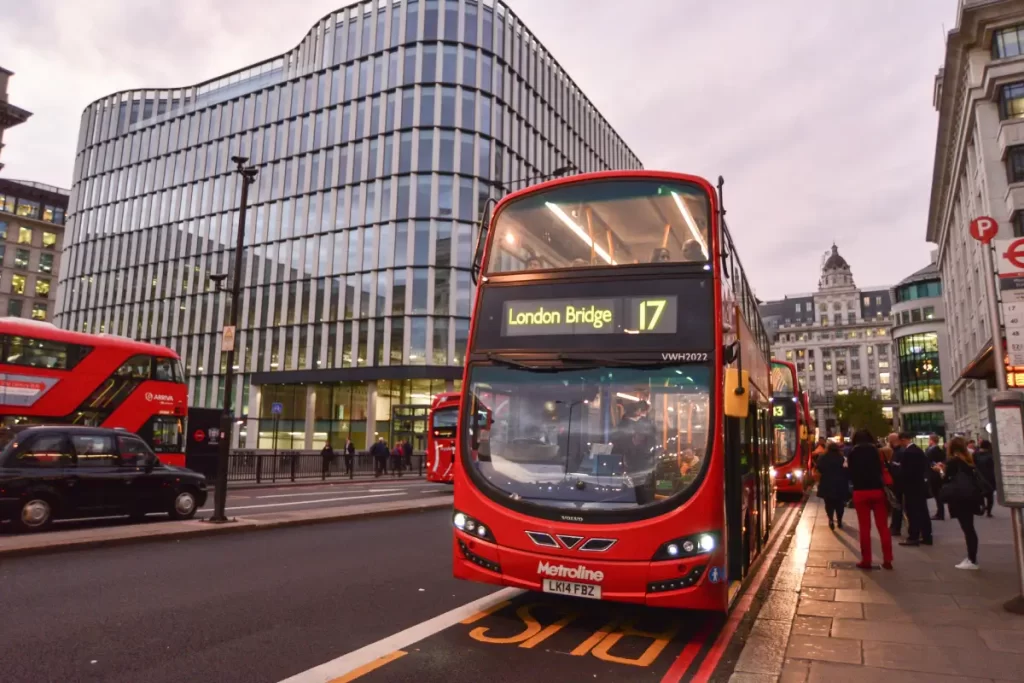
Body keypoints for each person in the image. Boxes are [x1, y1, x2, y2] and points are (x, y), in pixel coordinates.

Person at [847, 429, 894, 570]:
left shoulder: (852, 453)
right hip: (878, 491)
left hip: (860, 492)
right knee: (883, 527)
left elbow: (850, 473)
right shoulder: (877, 452)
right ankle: (888, 560)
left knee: (864, 528)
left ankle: (866, 560)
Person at [937, 437, 982, 570]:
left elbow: (945, 480)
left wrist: (940, 470)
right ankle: (972, 558)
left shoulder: (953, 461)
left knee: (967, 529)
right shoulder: (969, 460)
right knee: (970, 528)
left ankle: (972, 560)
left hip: (959, 498)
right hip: (970, 496)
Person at [896, 432, 933, 547]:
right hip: (919, 485)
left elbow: (907, 471)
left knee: (913, 511)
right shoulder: (917, 450)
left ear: (903, 440)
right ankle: (927, 536)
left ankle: (913, 536)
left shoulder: (909, 452)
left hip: (912, 487)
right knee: (922, 511)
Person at [816, 442, 849, 530]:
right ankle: (839, 521)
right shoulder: (842, 458)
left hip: (827, 483)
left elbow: (819, 468)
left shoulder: (822, 457)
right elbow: (847, 470)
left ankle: (830, 519)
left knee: (828, 503)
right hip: (840, 484)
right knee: (840, 504)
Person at [886, 433, 905, 536]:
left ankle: (896, 527)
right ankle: (894, 526)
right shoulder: (897, 451)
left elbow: (898, 468)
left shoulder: (899, 452)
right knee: (896, 505)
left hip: (898, 483)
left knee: (897, 505)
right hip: (897, 482)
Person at [925, 434, 946, 521]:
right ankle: (940, 512)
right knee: (936, 493)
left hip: (935, 474)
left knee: (937, 493)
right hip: (934, 473)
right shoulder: (935, 449)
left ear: (931, 440)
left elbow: (931, 461)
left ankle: (940, 513)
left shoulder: (933, 450)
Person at [974, 440, 996, 517]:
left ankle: (982, 505)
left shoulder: (976, 454)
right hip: (989, 478)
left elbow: (973, 465)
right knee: (990, 496)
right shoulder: (990, 455)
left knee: (980, 494)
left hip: (978, 477)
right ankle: (989, 512)